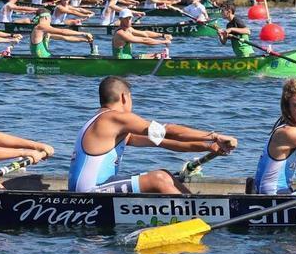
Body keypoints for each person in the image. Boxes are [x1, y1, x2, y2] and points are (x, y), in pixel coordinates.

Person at [69, 76, 238, 194]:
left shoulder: (104, 125)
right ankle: (195, 217)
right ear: (124, 97)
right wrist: (214, 136)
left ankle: (194, 206)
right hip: (89, 192)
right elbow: (168, 130)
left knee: (166, 174)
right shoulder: (114, 118)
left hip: (95, 189)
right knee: (159, 178)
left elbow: (165, 141)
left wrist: (208, 147)